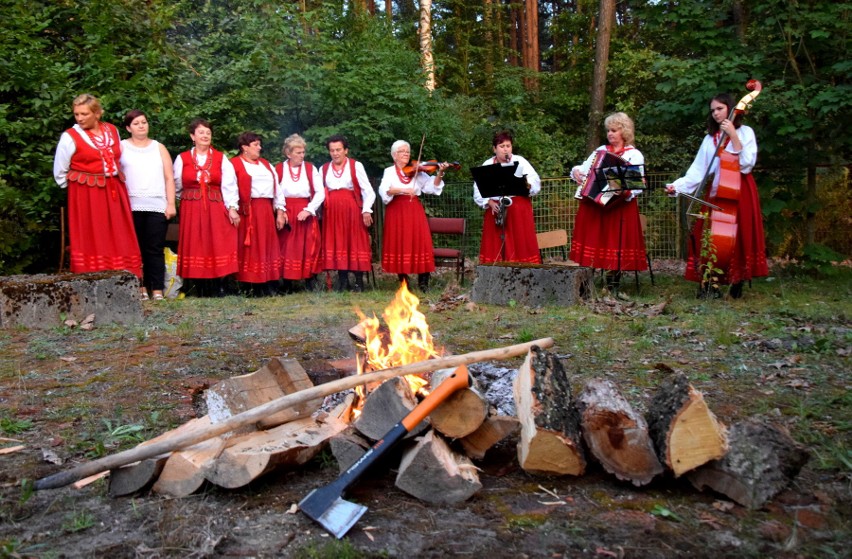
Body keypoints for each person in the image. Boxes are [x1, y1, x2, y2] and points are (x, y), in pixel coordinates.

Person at [665, 93, 768, 299]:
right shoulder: (709, 139)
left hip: (741, 190)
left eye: (719, 109)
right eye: (712, 110)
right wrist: (677, 187)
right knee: (708, 236)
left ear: (731, 109)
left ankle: (736, 282)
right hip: (718, 192)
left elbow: (747, 165)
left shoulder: (746, 132)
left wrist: (733, 135)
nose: (715, 114)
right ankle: (710, 283)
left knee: (738, 237)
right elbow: (698, 171)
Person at [53, 94, 142, 279]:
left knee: (119, 234)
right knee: (93, 234)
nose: (79, 118)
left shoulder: (112, 130)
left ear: (97, 114)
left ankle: (123, 277)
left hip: (114, 189)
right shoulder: (70, 137)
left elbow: (119, 159)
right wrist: (79, 190)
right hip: (87, 192)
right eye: (76, 114)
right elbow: (60, 172)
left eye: (84, 113)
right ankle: (92, 278)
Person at [570, 112, 648, 289]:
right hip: (595, 205)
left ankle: (613, 281)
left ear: (624, 131)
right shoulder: (600, 151)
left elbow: (637, 183)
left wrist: (624, 189)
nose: (610, 134)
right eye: (608, 130)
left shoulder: (634, 155)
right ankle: (586, 281)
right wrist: (576, 172)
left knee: (615, 241)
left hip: (618, 206)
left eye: (614, 130)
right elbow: (583, 168)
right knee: (593, 239)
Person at [173, 118, 240, 297]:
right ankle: (194, 287)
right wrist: (186, 199)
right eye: (201, 132)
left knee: (217, 242)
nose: (205, 136)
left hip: (215, 206)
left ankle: (219, 286)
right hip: (192, 208)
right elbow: (177, 185)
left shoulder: (220, 158)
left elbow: (229, 184)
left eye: (208, 133)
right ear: (192, 136)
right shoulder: (183, 158)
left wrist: (232, 207)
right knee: (195, 243)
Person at [119, 109, 177, 301]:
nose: (141, 126)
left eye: (144, 122)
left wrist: (170, 204)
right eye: (136, 123)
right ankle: (140, 287)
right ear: (128, 128)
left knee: (154, 249)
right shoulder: (121, 147)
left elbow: (169, 178)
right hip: (130, 207)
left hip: (156, 205)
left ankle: (157, 289)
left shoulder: (158, 147)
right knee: (134, 249)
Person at [378, 140, 448, 291]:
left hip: (414, 209)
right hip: (396, 210)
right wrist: (401, 190)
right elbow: (385, 190)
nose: (406, 154)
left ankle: (424, 281)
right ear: (394, 155)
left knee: (420, 241)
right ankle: (403, 281)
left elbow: (431, 187)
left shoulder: (417, 171)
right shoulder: (389, 171)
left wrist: (440, 172)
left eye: (407, 152)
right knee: (400, 242)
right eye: (402, 151)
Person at [231, 132, 287, 296]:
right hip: (248, 211)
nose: (259, 147)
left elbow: (278, 189)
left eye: (259, 144)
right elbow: (230, 188)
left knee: (267, 246)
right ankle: (251, 286)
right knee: (251, 248)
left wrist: (280, 211)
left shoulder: (266, 165)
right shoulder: (234, 164)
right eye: (255, 144)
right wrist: (232, 208)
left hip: (266, 210)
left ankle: (269, 284)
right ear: (244, 148)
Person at [473, 131, 542, 264]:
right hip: (496, 208)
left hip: (518, 209)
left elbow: (535, 181)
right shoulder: (487, 164)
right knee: (497, 242)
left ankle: (524, 273)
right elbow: (477, 188)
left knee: (521, 241)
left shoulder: (520, 161)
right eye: (502, 146)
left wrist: (527, 184)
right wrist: (489, 202)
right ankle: (496, 275)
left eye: (508, 146)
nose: (506, 149)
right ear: (494, 149)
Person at [319, 134, 376, 292]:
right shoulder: (323, 169)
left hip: (352, 209)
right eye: (332, 150)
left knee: (355, 242)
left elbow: (369, 192)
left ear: (346, 150)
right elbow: (319, 193)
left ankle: (359, 281)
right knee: (338, 243)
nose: (335, 153)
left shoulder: (355, 166)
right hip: (332, 211)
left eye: (338, 149)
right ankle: (343, 281)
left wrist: (366, 210)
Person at [275, 134, 324, 292]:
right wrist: (280, 211)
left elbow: (320, 192)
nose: (302, 156)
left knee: (309, 245)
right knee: (287, 246)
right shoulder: (279, 169)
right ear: (288, 154)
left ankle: (310, 280)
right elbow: (276, 192)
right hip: (287, 212)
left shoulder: (310, 168)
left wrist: (309, 210)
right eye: (298, 153)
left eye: (303, 152)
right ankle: (287, 283)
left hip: (305, 210)